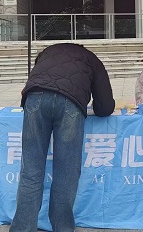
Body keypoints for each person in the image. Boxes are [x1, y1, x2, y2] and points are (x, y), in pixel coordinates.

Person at [10, 43, 115, 232]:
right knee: (66, 172)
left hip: (35, 98)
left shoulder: (46, 55)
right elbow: (105, 106)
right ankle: (63, 227)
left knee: (31, 171)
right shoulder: (91, 58)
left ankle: (22, 228)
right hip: (70, 102)